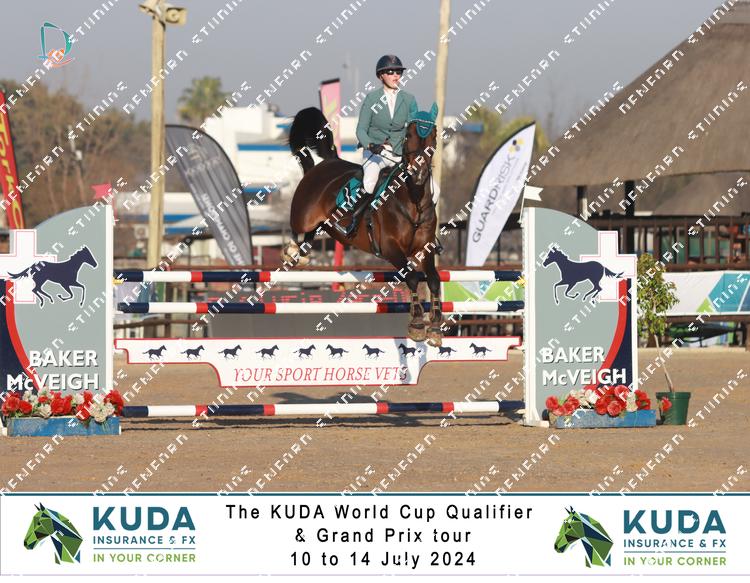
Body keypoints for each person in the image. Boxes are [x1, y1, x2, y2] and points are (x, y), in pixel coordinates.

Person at [346, 55, 418, 237]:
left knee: (426, 184)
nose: (396, 75)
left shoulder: (409, 100)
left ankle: (425, 226)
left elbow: (412, 129)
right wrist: (370, 144)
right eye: (391, 72)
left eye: (398, 72)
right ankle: (356, 219)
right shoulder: (371, 99)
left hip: (398, 152)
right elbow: (361, 129)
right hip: (375, 153)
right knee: (370, 181)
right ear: (381, 76)